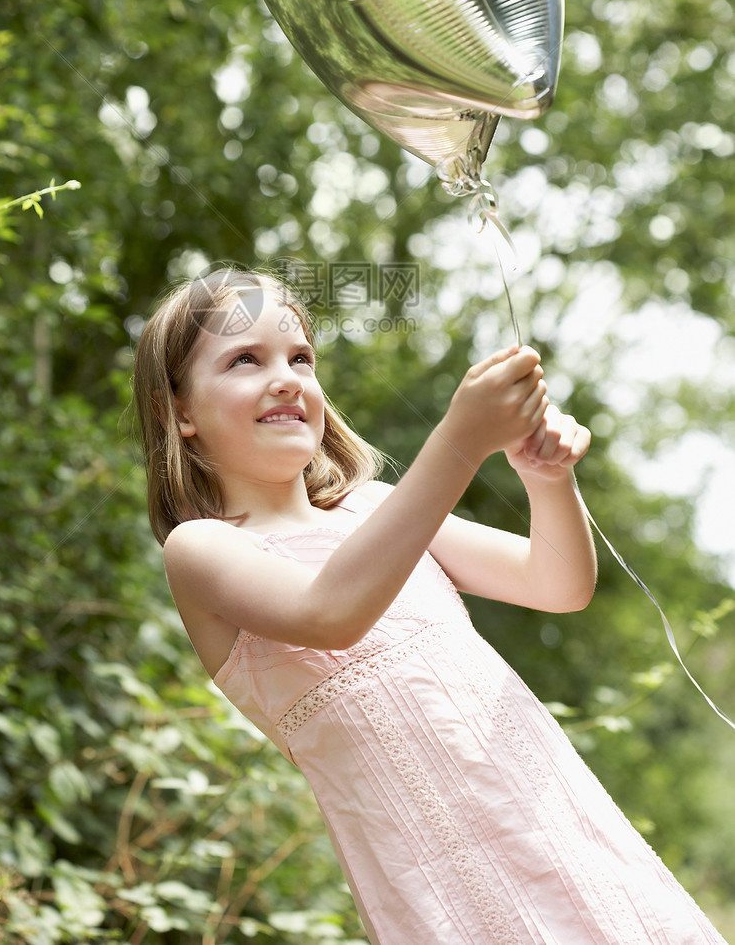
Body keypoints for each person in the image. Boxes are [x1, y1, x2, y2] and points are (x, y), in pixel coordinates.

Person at [133, 266, 726, 945]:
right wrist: (460, 440)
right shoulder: (202, 549)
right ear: (176, 411)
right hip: (442, 887)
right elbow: (330, 613)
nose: (288, 377)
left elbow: (557, 584)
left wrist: (545, 478)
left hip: (554, 822)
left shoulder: (376, 508)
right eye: (245, 359)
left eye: (301, 357)